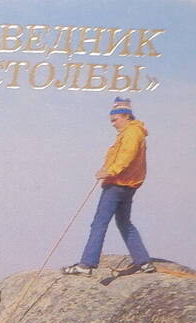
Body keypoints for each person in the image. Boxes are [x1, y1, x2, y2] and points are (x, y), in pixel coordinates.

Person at [63, 97, 155, 276]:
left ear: (125, 116)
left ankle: (87, 265)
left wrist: (109, 171)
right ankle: (144, 262)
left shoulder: (131, 133)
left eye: (115, 120)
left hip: (117, 184)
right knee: (124, 223)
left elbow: (126, 157)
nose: (113, 124)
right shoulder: (134, 132)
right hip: (128, 185)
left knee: (99, 223)